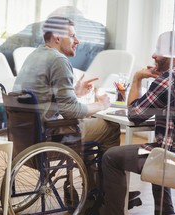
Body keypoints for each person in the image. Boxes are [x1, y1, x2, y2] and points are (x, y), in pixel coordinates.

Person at [79, 31, 175, 215]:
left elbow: (134, 114)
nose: (153, 56)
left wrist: (137, 78)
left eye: (158, 52)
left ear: (170, 55)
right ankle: (165, 212)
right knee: (156, 146)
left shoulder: (168, 80)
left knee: (112, 157)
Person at [13, 16, 121, 154]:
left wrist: (74, 92)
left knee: (88, 127)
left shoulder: (35, 55)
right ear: (57, 37)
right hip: (48, 135)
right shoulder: (58, 59)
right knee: (110, 128)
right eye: (72, 36)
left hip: (25, 134)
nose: (77, 41)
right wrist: (101, 104)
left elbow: (41, 97)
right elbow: (70, 111)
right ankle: (104, 175)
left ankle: (88, 173)